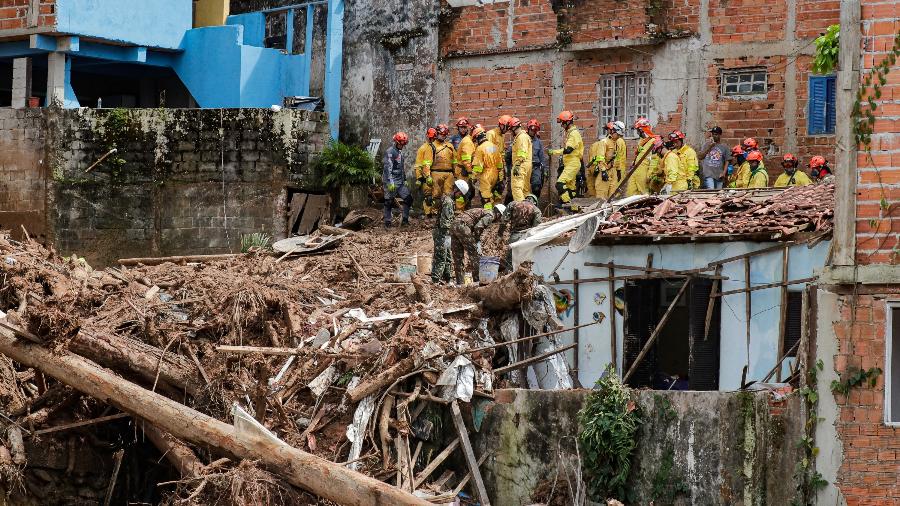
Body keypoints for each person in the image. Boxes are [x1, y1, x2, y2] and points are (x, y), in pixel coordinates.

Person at [451, 204, 505, 284]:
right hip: (463, 226)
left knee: (458, 257)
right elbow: (478, 227)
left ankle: (460, 283)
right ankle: (477, 282)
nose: (499, 220)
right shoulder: (490, 215)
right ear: (498, 214)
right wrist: (477, 240)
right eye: (500, 218)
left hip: (454, 225)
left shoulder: (483, 211)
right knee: (475, 255)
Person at [432, 180, 468, 283]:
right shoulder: (448, 202)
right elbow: (445, 223)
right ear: (456, 190)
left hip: (446, 234)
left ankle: (447, 278)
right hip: (442, 233)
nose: (460, 196)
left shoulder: (449, 200)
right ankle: (435, 280)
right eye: (460, 193)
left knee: (447, 256)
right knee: (440, 257)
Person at [548, 111, 584, 206]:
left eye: (562, 123)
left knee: (560, 183)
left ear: (567, 122)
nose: (561, 126)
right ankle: (574, 207)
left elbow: (568, 150)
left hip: (573, 163)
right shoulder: (570, 133)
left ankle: (567, 203)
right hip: (570, 163)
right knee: (570, 188)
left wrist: (553, 152)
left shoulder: (573, 134)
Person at [503, 194, 542, 269]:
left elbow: (504, 220)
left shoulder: (513, 204)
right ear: (535, 202)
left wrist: (500, 233)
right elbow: (536, 227)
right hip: (526, 237)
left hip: (514, 236)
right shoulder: (536, 210)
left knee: (510, 258)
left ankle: (508, 273)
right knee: (524, 259)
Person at [424, 124, 457, 209]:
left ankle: (446, 214)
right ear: (437, 134)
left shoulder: (450, 146)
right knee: (436, 195)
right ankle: (435, 213)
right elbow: (427, 162)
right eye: (441, 134)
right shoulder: (431, 146)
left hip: (449, 174)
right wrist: (428, 176)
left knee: (448, 195)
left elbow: (454, 161)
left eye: (444, 135)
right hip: (436, 173)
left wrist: (456, 174)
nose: (442, 136)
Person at [471, 125, 504, 209]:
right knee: (495, 194)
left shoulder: (480, 148)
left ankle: (488, 213)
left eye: (475, 139)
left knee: (486, 197)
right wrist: (500, 175)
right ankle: (497, 212)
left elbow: (478, 166)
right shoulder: (494, 147)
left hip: (485, 175)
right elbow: (500, 163)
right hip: (495, 173)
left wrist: (473, 177)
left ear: (478, 137)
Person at [383, 132, 412, 228]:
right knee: (388, 201)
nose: (402, 146)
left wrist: (405, 179)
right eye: (401, 144)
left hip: (400, 181)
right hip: (390, 181)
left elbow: (401, 167)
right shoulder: (390, 152)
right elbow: (388, 168)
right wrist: (390, 182)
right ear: (396, 142)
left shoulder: (400, 152)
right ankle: (387, 222)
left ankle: (405, 219)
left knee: (408, 199)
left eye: (404, 144)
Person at [629, 117, 658, 196]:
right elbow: (639, 155)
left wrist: (650, 174)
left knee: (644, 194)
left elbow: (654, 160)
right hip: (635, 170)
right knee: (631, 193)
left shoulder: (654, 142)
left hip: (644, 172)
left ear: (643, 130)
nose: (638, 133)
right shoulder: (641, 141)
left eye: (638, 130)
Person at [414, 127, 437, 216]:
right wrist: (422, 177)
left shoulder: (431, 147)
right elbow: (421, 164)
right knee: (428, 197)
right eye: (431, 137)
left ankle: (430, 213)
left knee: (432, 196)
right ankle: (428, 214)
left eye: (433, 138)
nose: (431, 139)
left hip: (429, 174)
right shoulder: (425, 148)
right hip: (425, 175)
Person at [509, 117, 533, 202]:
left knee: (516, 188)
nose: (510, 132)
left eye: (510, 129)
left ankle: (521, 210)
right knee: (525, 190)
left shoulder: (521, 137)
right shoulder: (523, 136)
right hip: (525, 165)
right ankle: (529, 208)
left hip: (521, 165)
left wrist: (517, 164)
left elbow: (522, 151)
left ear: (514, 128)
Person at [454, 118, 476, 207]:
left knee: (469, 191)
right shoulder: (455, 139)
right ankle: (459, 210)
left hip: (467, 168)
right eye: (461, 127)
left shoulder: (470, 139)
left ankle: (466, 207)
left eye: (465, 127)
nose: (463, 129)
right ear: (458, 128)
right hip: (462, 169)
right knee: (461, 191)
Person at [587, 124, 613, 199]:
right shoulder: (604, 143)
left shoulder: (596, 144)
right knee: (600, 192)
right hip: (600, 169)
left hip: (596, 169)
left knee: (595, 191)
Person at [526, 119, 547, 202]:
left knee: (536, 187)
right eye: (531, 129)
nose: (532, 131)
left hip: (535, 167)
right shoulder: (523, 139)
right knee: (524, 188)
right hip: (525, 166)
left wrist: (544, 170)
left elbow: (542, 157)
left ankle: (535, 203)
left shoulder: (538, 142)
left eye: (535, 129)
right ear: (528, 129)